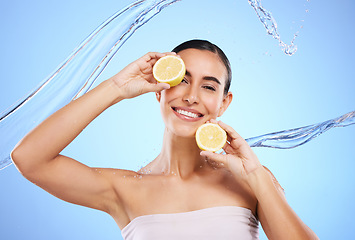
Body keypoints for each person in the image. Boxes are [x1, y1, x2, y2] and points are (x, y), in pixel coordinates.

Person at [11, 39, 318, 240]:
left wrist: (256, 176)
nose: (191, 96)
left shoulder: (251, 181)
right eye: (181, 80)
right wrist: (117, 87)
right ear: (159, 88)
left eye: (209, 88)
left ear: (224, 103)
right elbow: (29, 158)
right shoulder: (124, 189)